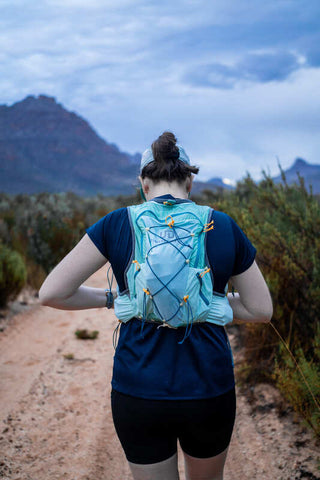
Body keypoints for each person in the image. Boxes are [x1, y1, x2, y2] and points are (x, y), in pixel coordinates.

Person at [39, 131, 273, 480]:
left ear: (143, 184)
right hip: (208, 389)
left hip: (138, 390)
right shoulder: (223, 225)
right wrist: (209, 302)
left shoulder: (117, 223)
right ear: (189, 180)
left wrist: (112, 299)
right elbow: (261, 310)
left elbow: (52, 293)